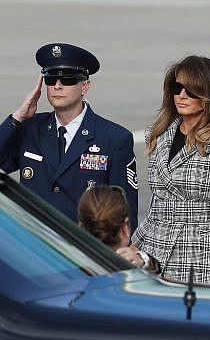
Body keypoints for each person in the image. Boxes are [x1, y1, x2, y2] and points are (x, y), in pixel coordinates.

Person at [131, 55, 210, 287]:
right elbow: (158, 209)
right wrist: (132, 247)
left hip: (203, 261)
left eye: (192, 90)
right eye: (177, 88)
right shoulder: (158, 135)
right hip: (155, 255)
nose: (182, 95)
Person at [0, 43, 138, 228]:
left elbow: (126, 211)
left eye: (68, 79)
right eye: (51, 79)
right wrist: (16, 118)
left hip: (84, 249)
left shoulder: (114, 139)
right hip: (34, 246)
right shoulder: (29, 128)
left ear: (85, 86)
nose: (57, 86)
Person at [78, 185, 157, 271]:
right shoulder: (136, 278)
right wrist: (144, 262)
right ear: (124, 230)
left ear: (80, 225)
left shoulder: (65, 261)